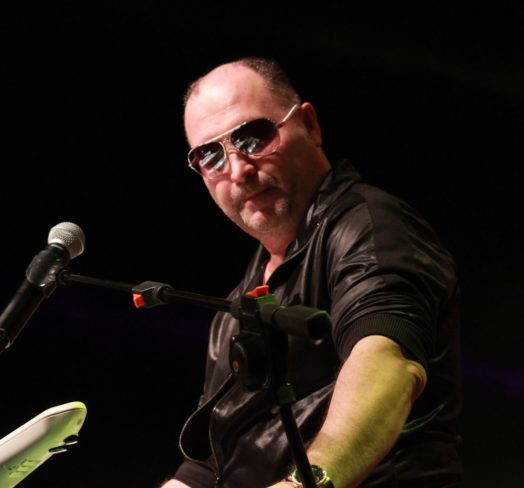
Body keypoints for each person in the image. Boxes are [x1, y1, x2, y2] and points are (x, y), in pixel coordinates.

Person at [161, 57, 462, 487]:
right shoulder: (240, 301)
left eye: (253, 136)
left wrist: (307, 482)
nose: (239, 170)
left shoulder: (371, 227)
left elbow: (387, 362)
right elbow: (210, 465)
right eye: (210, 155)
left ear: (309, 125)